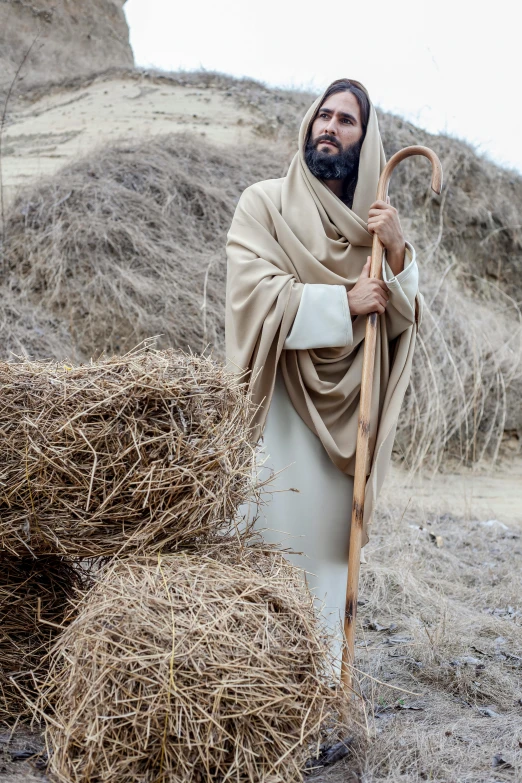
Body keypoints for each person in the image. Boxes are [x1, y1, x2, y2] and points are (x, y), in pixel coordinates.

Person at [225, 79, 421, 661]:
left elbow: (404, 316)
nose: (330, 127)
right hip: (277, 410)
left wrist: (398, 254)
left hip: (347, 424)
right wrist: (342, 304)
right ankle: (256, 688)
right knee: (266, 548)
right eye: (324, 116)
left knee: (328, 562)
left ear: (366, 139)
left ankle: (322, 690)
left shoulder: (377, 228)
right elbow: (251, 295)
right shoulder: (263, 203)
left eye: (347, 121)